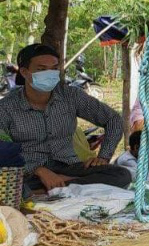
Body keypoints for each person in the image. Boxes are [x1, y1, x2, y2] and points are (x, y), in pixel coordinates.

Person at [0, 44, 130, 195]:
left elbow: (113, 119)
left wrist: (104, 156)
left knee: (122, 175)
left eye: (54, 68)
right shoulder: (6, 107)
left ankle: (56, 186)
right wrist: (38, 170)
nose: (49, 73)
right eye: (41, 69)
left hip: (70, 167)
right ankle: (63, 186)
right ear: (24, 72)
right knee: (11, 186)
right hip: (29, 173)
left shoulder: (70, 96)